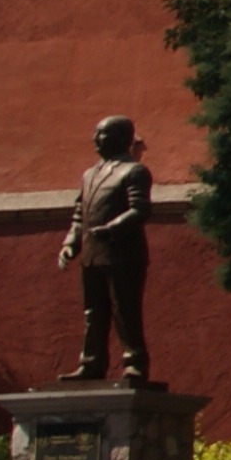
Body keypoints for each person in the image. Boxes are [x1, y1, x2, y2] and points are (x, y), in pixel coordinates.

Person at [55, 115, 152, 384]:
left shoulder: (134, 171)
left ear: (122, 137)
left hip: (124, 256)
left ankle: (134, 364)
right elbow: (79, 215)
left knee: (125, 311)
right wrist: (70, 244)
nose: (95, 139)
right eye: (96, 133)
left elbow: (140, 209)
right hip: (92, 256)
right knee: (93, 313)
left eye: (103, 133)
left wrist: (112, 229)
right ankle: (91, 364)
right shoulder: (89, 175)